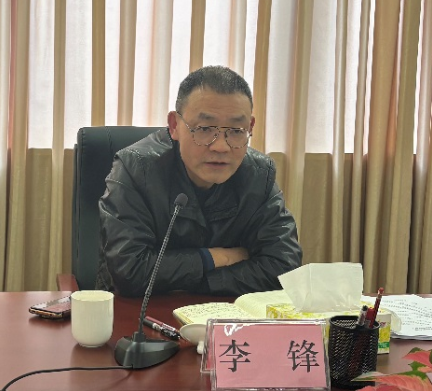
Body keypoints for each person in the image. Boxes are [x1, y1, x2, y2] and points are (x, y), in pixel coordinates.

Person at [96, 65, 302, 297]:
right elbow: (130, 270)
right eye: (204, 128)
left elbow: (285, 266)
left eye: (236, 130)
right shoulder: (135, 169)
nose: (221, 146)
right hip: (142, 312)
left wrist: (198, 282)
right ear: (174, 126)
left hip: (226, 313)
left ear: (250, 127)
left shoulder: (259, 174)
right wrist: (216, 258)